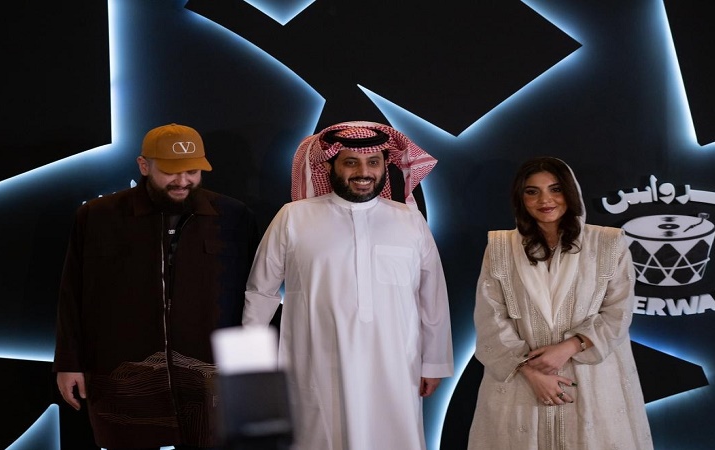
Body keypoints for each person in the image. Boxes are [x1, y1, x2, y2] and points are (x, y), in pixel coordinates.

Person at [244, 121, 454, 450]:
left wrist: (435, 362)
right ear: (330, 166)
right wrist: (251, 363)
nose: (363, 172)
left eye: (373, 162)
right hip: (316, 362)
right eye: (351, 162)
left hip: (395, 365)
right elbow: (260, 291)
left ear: (385, 166)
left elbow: (432, 296)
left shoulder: (409, 220)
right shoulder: (293, 217)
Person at [53, 123, 259, 450]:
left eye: (192, 171)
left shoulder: (233, 216)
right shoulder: (97, 216)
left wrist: (254, 366)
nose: (183, 181)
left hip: (210, 376)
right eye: (170, 172)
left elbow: (255, 296)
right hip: (124, 372)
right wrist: (68, 362)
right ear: (144, 166)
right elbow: (72, 294)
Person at [467, 156, 653, 449]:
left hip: (591, 381)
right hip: (521, 382)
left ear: (571, 191)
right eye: (532, 191)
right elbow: (490, 316)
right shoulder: (501, 248)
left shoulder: (608, 244)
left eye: (555, 189)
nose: (545, 200)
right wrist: (530, 371)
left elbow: (618, 312)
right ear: (520, 198)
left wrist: (569, 347)